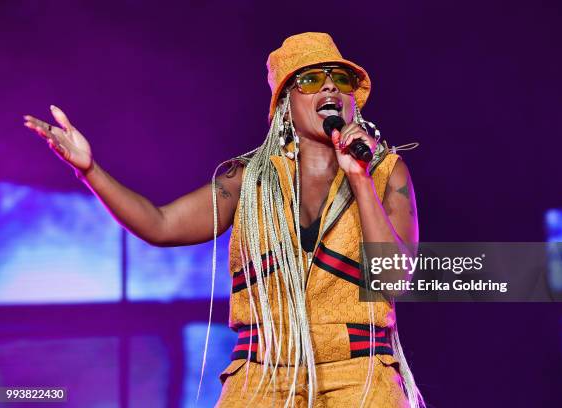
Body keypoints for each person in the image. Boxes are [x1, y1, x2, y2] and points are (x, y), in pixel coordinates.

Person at [23, 32, 424, 408]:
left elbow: (395, 280)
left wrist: (359, 177)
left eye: (340, 79)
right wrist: (90, 170)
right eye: (311, 79)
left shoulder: (386, 172)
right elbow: (161, 225)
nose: (330, 87)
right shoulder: (247, 179)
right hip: (262, 374)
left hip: (360, 372)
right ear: (285, 102)